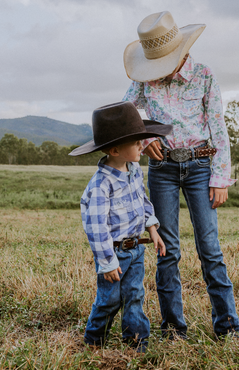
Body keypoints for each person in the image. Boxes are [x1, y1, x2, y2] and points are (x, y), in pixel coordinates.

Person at [123, 11, 239, 339]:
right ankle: (173, 328)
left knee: (209, 247)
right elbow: (124, 112)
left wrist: (220, 177)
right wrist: (144, 140)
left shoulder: (204, 75)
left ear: (181, 52)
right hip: (162, 171)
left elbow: (218, 126)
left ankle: (227, 326)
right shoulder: (144, 81)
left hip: (201, 167)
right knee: (167, 249)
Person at [69, 101, 172, 352]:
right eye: (136, 142)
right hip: (113, 253)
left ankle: (137, 342)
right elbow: (96, 228)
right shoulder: (100, 186)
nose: (141, 145)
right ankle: (94, 341)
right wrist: (107, 262)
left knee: (135, 296)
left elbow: (143, 200)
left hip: (136, 249)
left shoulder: (134, 169)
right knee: (109, 300)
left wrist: (152, 230)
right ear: (115, 150)